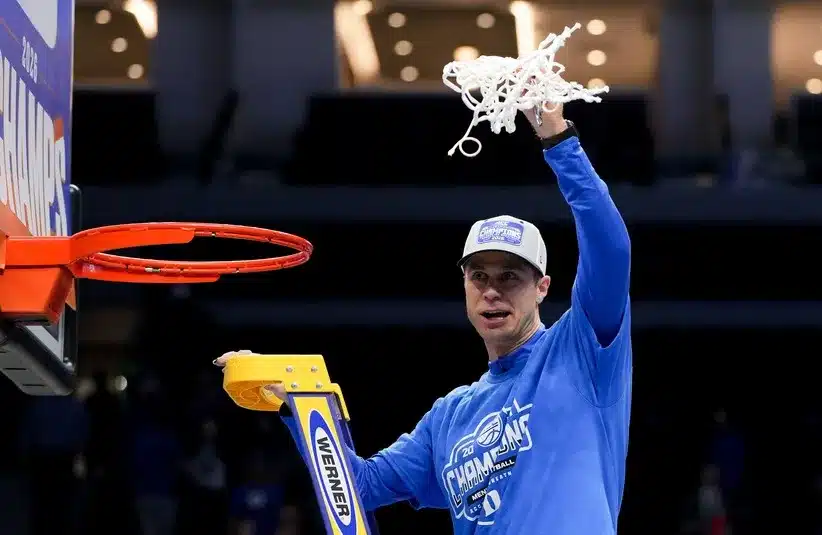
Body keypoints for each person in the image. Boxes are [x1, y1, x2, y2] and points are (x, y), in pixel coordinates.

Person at [216, 101, 632, 535]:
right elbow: (358, 488)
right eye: (479, 276)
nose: (492, 290)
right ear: (465, 285)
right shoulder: (450, 417)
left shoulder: (581, 351)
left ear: (542, 287)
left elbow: (612, 249)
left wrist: (558, 139)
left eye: (510, 276)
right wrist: (298, 400)